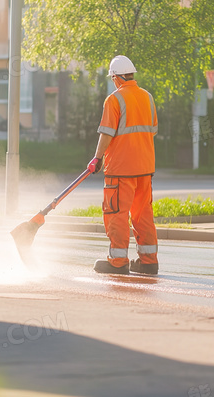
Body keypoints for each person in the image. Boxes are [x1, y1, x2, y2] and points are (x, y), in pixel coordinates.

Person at [87, 55, 159, 275]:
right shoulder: (147, 97)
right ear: (132, 75)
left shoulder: (114, 100)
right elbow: (152, 130)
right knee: (142, 214)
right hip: (145, 168)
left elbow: (106, 133)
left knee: (116, 213)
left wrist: (97, 158)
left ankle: (117, 262)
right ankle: (149, 262)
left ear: (116, 78)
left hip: (121, 169)